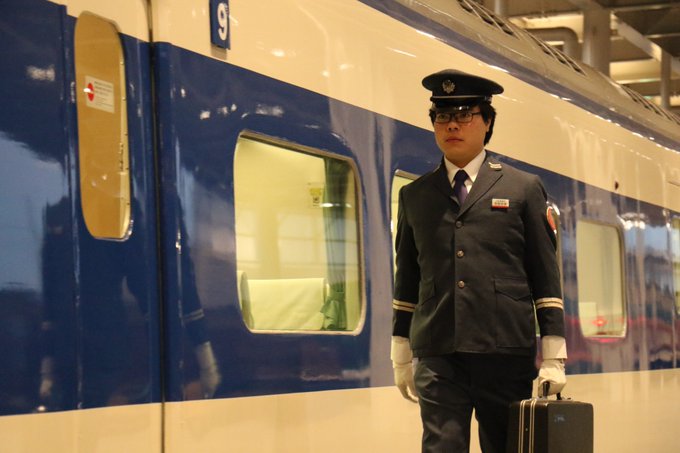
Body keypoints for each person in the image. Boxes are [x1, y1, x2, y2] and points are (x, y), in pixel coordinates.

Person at [390, 69, 567, 453]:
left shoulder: (522, 188)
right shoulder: (415, 195)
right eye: (442, 116)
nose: (452, 125)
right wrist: (400, 349)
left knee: (504, 446)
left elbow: (545, 274)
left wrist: (554, 356)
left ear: (487, 123)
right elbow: (407, 279)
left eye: (464, 115)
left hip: (504, 350)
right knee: (441, 447)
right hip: (438, 351)